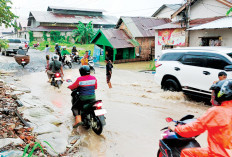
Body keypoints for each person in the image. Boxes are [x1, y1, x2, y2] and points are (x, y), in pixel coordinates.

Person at [169, 79, 232, 157]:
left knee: (186, 153)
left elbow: (194, 128)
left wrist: (176, 129)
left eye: (213, 93)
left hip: (219, 154)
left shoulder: (216, 111)